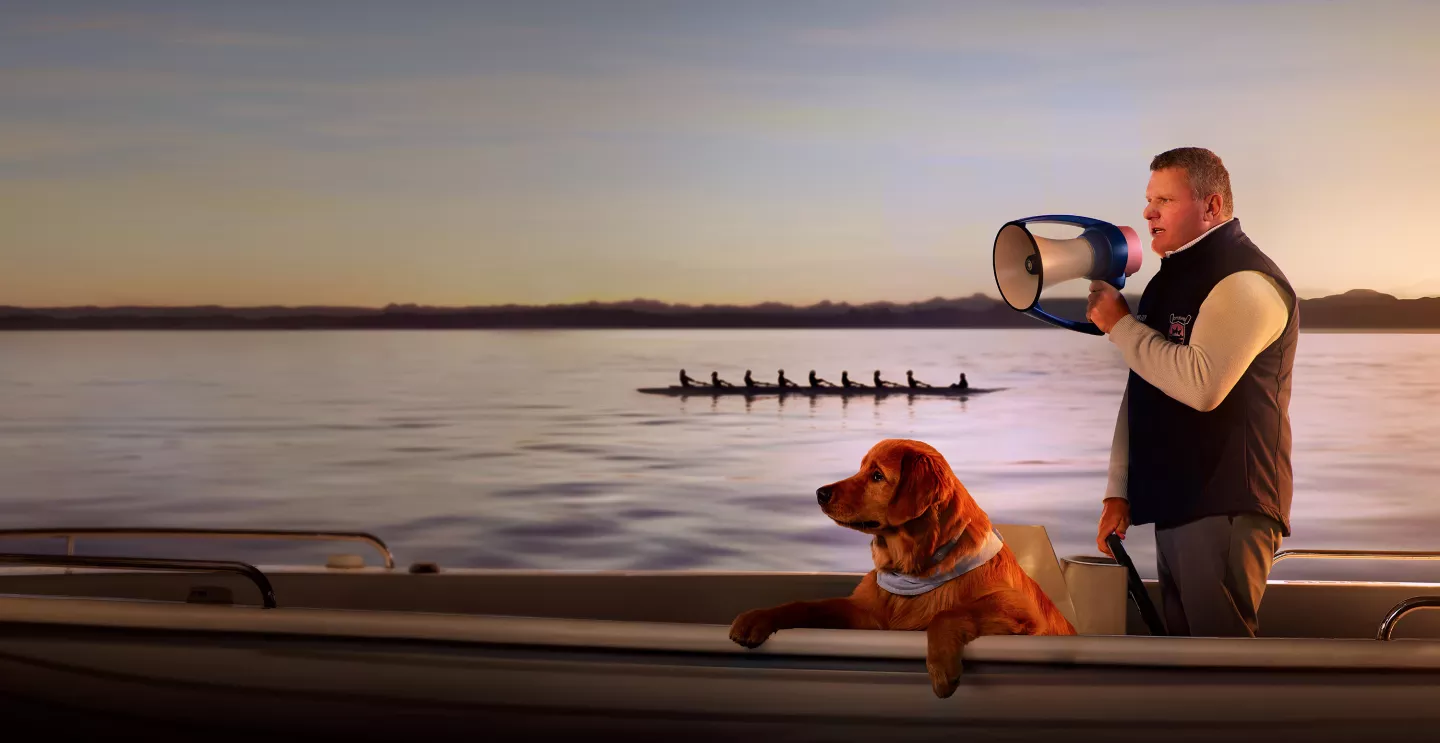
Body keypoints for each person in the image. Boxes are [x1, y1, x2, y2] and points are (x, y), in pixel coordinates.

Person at [1086, 147, 1298, 638]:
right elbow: (1144, 384)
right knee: (1190, 657)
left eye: (1165, 199)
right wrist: (1118, 491)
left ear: (1212, 206)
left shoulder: (1247, 281)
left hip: (1224, 502)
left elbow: (1202, 385)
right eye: (1147, 199)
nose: (1147, 212)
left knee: (1220, 664)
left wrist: (1121, 326)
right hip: (1178, 500)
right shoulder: (1171, 283)